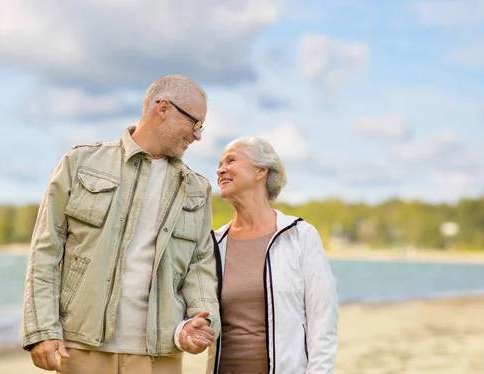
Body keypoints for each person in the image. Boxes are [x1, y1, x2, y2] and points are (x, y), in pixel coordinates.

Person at [21, 75, 220, 374]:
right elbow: (46, 251)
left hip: (160, 355)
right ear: (163, 108)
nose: (198, 136)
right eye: (195, 123)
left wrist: (202, 320)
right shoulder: (79, 164)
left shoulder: (197, 189)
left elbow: (200, 267)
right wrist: (42, 330)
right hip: (81, 349)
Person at [207, 137, 338, 374]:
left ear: (260, 170)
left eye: (231, 160)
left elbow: (323, 318)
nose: (220, 169)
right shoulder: (214, 243)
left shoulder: (300, 236)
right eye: (219, 163)